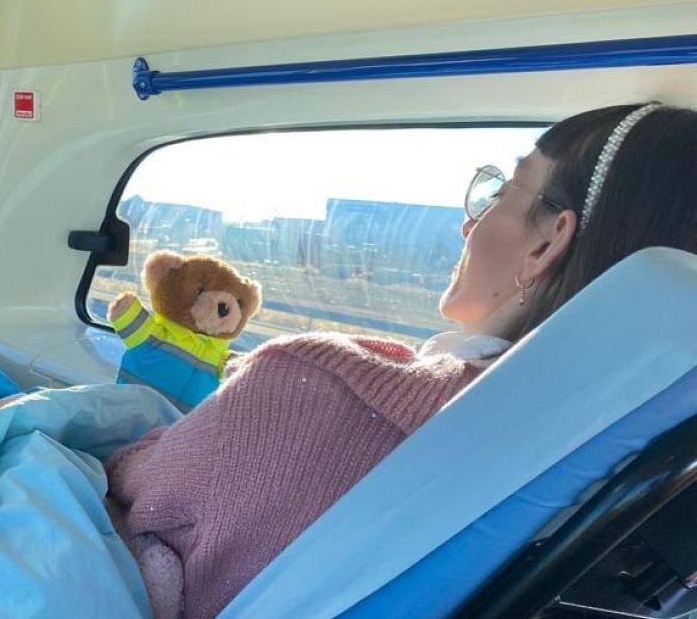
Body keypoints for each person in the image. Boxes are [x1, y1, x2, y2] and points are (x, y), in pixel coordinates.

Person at [106, 103, 697, 619]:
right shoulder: (607, 474)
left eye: (501, 193)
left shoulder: (314, 380)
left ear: (546, 245)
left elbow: (132, 488)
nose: (469, 222)